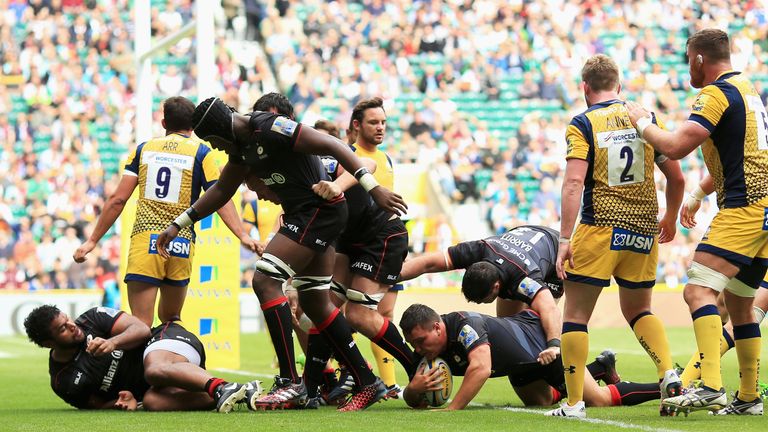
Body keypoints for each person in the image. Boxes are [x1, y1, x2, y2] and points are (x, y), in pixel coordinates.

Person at [156, 93, 407, 412]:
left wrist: (373, 187)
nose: (217, 149)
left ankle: (291, 383)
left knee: (264, 282)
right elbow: (220, 190)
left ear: (221, 132)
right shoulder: (242, 148)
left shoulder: (270, 127)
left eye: (214, 142)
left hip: (318, 211)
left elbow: (334, 146)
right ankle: (366, 380)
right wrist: (179, 223)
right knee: (316, 304)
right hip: (309, 215)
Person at [627, 28, 768, 410]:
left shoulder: (715, 93)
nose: (688, 66)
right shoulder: (747, 88)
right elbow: (740, 153)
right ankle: (750, 397)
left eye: (689, 58)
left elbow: (676, 145)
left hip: (744, 206)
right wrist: (697, 193)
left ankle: (709, 385)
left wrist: (642, 122)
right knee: (741, 306)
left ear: (699, 59)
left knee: (697, 291)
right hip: (763, 212)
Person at [554, 54, 685, 418]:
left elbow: (575, 182)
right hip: (644, 229)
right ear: (619, 85)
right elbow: (677, 178)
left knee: (576, 316)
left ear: (585, 88)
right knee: (640, 310)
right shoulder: (645, 119)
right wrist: (670, 217)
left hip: (600, 226)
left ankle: (575, 403)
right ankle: (668, 373)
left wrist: (565, 240)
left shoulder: (583, 123)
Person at [72, 97, 259, 327]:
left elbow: (117, 200)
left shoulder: (144, 150)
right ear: (193, 126)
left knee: (140, 323)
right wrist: (243, 235)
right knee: (171, 320)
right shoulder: (202, 153)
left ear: (163, 123)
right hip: (180, 241)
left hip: (145, 239)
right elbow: (220, 197)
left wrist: (92, 241)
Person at [399, 304, 659, 411]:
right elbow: (415, 399)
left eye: (421, 342)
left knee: (599, 400)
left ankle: (669, 386)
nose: (418, 349)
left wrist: (453, 409)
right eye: (413, 344)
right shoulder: (424, 352)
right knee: (542, 401)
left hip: (541, 347)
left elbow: (481, 368)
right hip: (519, 367)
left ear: (437, 327)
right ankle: (600, 368)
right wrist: (413, 389)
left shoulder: (464, 325)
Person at [23, 304, 256, 412]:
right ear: (48, 344)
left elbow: (142, 329)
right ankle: (238, 393)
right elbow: (94, 405)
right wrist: (119, 403)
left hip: (166, 340)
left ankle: (221, 386)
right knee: (153, 402)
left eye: (68, 319)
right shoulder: (63, 381)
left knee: (153, 369)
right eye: (63, 328)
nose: (72, 326)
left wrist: (113, 342)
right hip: (162, 386)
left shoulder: (93, 318)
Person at [399, 225, 564, 367]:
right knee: (510, 328)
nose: (479, 305)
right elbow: (429, 263)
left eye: (482, 300)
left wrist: (554, 345)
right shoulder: (476, 250)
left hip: (555, 254)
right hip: (520, 241)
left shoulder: (525, 280)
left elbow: (549, 309)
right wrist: (392, 276)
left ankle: (556, 376)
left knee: (534, 327)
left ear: (496, 287)